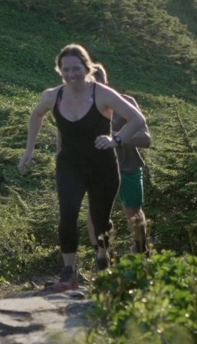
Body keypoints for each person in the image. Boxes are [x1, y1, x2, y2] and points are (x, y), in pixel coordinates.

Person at [18, 44, 148, 292]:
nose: (71, 74)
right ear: (60, 70)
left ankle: (103, 262)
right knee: (67, 214)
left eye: (76, 68)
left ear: (87, 68)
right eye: (65, 69)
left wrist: (116, 139)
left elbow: (138, 119)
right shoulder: (52, 96)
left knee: (100, 221)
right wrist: (29, 150)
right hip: (70, 165)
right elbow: (36, 116)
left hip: (103, 166)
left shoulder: (103, 94)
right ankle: (69, 273)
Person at [88, 65, 151, 257]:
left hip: (128, 166)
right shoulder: (79, 108)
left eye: (97, 86)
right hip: (97, 169)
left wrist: (118, 138)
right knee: (94, 212)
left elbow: (146, 139)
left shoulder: (126, 103)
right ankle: (100, 258)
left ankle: (141, 251)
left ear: (106, 85)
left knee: (133, 212)